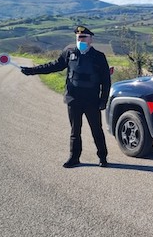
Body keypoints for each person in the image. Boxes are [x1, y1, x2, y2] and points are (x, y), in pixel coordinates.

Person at [20, 25, 111, 168]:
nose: (80, 40)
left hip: (91, 100)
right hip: (73, 99)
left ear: (90, 40)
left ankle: (102, 157)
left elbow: (106, 81)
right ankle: (74, 158)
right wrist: (32, 71)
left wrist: (103, 100)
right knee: (75, 131)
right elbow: (53, 66)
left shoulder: (99, 57)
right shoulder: (69, 53)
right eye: (78, 37)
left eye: (83, 37)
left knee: (96, 130)